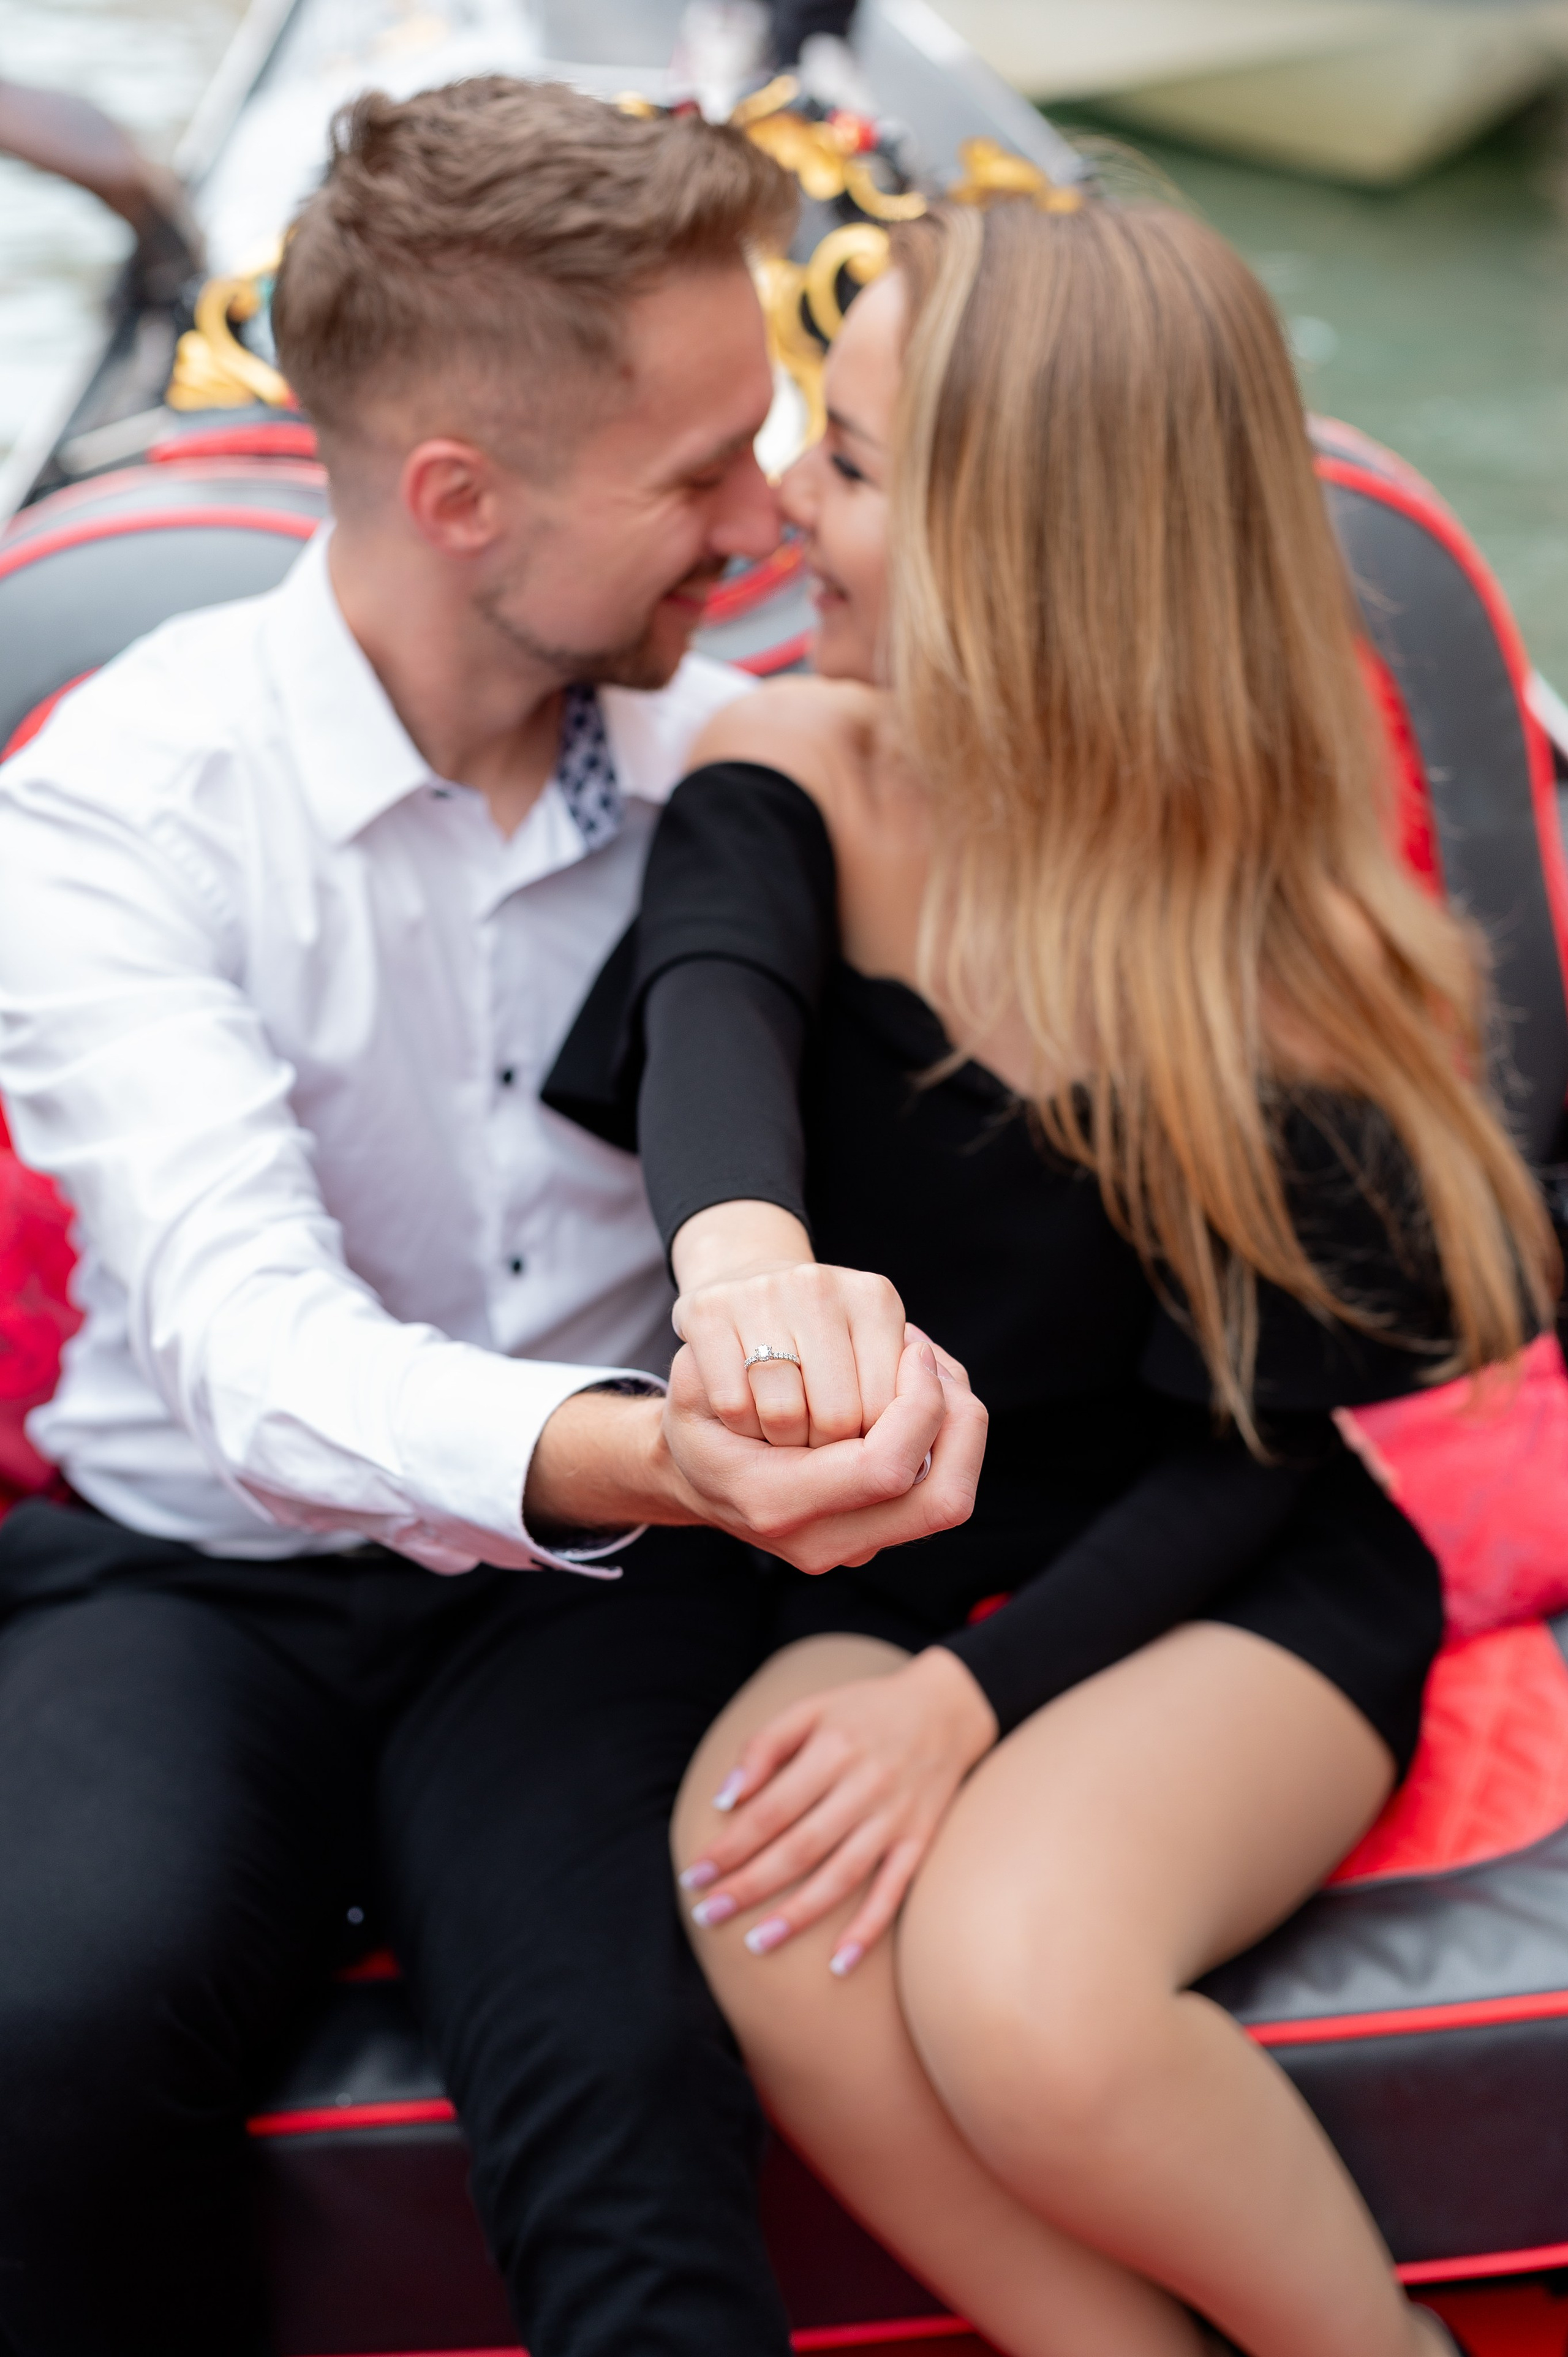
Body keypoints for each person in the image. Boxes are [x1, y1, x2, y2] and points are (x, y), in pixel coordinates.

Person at [0, 79, 984, 2357]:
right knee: (35, 2038)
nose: (761, 524)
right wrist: (671, 1448)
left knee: (630, 2079)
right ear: (461, 498)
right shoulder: (107, 821)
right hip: (196, 1580)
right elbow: (250, 1355)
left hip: (604, 1605)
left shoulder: (748, 759)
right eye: (698, 473)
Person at [554, 188, 1558, 2353]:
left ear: (1019, 539)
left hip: (1224, 1575)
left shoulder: (1270, 966)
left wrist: (965, 1714)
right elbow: (713, 1012)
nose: (781, 515)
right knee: (763, 1871)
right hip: (896, 1568)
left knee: (1027, 1989)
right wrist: (741, 1269)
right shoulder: (792, 771)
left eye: (848, 462)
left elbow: (1250, 1459)